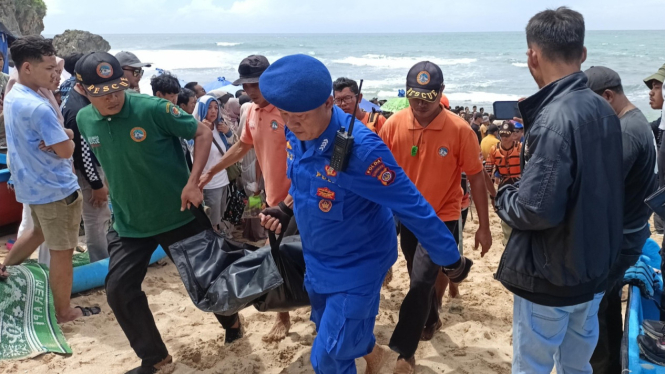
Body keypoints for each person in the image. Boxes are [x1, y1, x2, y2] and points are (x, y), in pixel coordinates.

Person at [258, 53, 473, 374]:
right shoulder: (296, 131)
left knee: (328, 357)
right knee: (325, 323)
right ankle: (376, 355)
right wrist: (284, 208)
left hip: (358, 265)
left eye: (299, 115)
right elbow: (306, 183)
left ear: (329, 103)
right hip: (317, 260)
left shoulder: (363, 150)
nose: (291, 124)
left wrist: (451, 260)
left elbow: (412, 207)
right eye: (285, 114)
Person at [73, 52, 248, 374]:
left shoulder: (153, 109)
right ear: (84, 91)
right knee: (119, 290)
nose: (112, 98)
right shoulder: (84, 119)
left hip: (179, 214)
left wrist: (193, 183)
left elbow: (203, 133)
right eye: (102, 93)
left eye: (116, 89)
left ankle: (232, 321)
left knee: (209, 284)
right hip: (128, 222)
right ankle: (155, 359)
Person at [495, 8, 624, 374]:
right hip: (592, 269)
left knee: (532, 366)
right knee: (576, 364)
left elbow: (536, 209)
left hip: (552, 276)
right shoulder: (603, 109)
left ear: (532, 56)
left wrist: (503, 195)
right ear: (582, 54)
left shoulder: (553, 118)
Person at [379, 60, 491, 373]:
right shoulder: (393, 125)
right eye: (414, 96)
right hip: (405, 216)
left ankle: (404, 350)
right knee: (419, 276)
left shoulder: (459, 129)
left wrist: (483, 225)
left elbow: (477, 176)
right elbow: (379, 173)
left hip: (442, 216)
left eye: (428, 97)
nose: (420, 104)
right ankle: (442, 296)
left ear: (440, 92)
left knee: (420, 281)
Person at [199, 55, 293, 343]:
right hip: (272, 200)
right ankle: (283, 316)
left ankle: (317, 312)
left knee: (309, 258)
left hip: (299, 200)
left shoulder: (290, 110)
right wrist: (212, 170)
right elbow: (242, 145)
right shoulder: (251, 111)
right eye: (246, 85)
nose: (251, 90)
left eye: (257, 83)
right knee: (278, 261)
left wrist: (291, 200)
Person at [0, 36, 90, 323]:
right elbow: (66, 152)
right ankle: (64, 311)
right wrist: (70, 139)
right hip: (55, 187)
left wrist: (67, 135)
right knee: (62, 251)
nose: (57, 74)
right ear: (27, 68)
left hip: (30, 183)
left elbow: (62, 137)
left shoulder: (13, 94)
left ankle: (5, 267)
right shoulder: (39, 107)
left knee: (36, 231)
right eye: (49, 68)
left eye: (57, 67)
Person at [584, 66, 658, 373]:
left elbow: (600, 188)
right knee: (608, 301)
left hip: (624, 235)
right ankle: (611, 363)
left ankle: (603, 367)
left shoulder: (627, 131)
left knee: (595, 307)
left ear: (608, 96)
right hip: (634, 228)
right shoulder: (637, 122)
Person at [62, 62, 112, 263]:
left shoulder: (72, 99)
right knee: (97, 219)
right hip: (87, 173)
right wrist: (97, 186)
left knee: (98, 217)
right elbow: (84, 155)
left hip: (84, 169)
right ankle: (101, 261)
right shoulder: (79, 110)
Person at [194, 95, 231, 233]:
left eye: (216, 107)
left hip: (222, 179)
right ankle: (216, 247)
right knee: (211, 221)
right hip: (208, 183)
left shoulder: (220, 127)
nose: (213, 111)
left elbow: (229, 150)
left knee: (220, 215)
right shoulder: (196, 129)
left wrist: (228, 133)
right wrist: (205, 132)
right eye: (209, 107)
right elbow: (194, 153)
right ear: (202, 109)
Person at [485, 121, 522, 246]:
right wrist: (492, 195)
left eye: (507, 135)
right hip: (504, 185)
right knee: (504, 214)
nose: (504, 138)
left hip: (520, 183)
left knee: (520, 213)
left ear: (513, 135)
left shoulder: (520, 148)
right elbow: (488, 172)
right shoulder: (494, 149)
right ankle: (507, 242)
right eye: (502, 135)